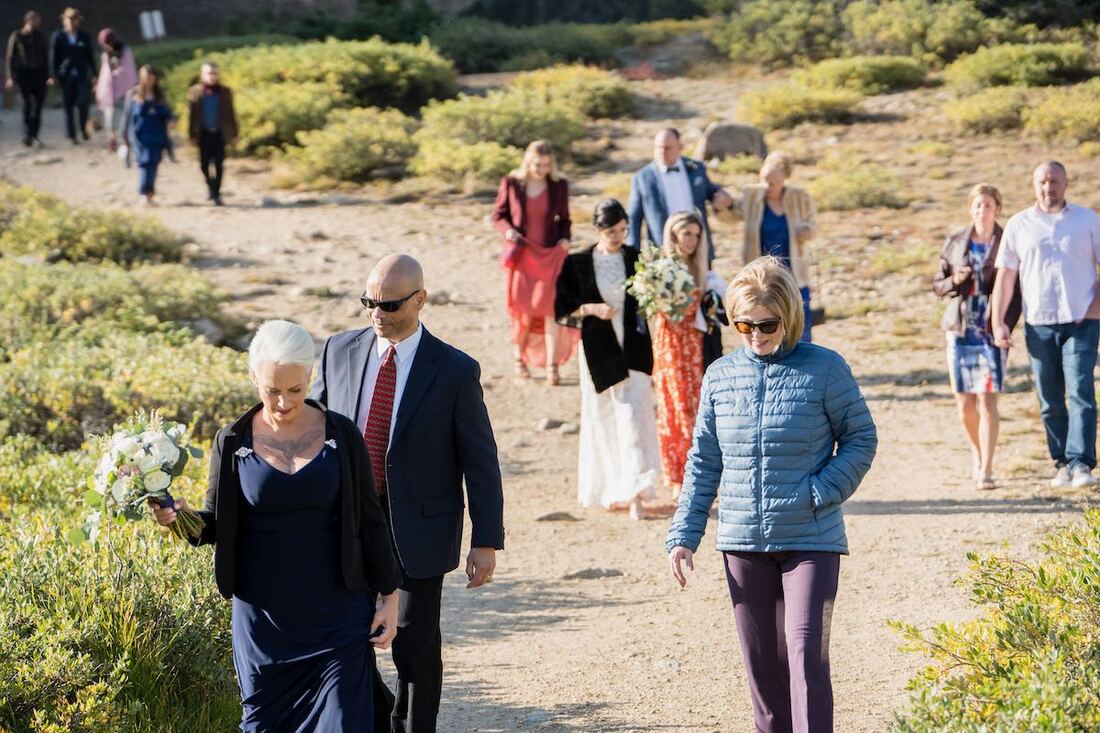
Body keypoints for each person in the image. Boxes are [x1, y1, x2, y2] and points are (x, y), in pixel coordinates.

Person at [152, 319, 402, 732]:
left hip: (337, 615)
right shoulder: (231, 441)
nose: (283, 402)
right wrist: (179, 520)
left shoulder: (343, 435)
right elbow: (214, 524)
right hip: (264, 624)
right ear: (253, 377)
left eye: (295, 390)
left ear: (310, 377)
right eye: (271, 390)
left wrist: (389, 596)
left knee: (344, 722)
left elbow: (370, 520)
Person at [666, 256, 877, 733]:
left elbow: (862, 438)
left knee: (805, 655)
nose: (755, 335)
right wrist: (684, 533)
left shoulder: (826, 368)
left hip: (811, 540)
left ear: (788, 317)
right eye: (743, 325)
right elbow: (703, 461)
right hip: (742, 543)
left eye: (766, 324)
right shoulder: (719, 375)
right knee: (763, 675)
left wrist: (818, 493)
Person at [310, 254, 505, 733]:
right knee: (344, 638)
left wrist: (486, 539)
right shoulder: (339, 350)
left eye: (390, 303)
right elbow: (309, 429)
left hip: (419, 529)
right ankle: (379, 720)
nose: (377, 312)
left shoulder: (455, 370)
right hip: (347, 522)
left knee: (415, 649)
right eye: (369, 301)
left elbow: (480, 460)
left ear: (421, 299)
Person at [992, 161, 1100, 489]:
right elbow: (1006, 277)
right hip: (1038, 323)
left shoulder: (1088, 220)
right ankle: (1062, 462)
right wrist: (999, 322)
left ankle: (1082, 463)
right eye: (1042, 181)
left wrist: (1096, 307)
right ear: (1033, 184)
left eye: (1054, 181)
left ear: (1066, 183)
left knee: (1081, 389)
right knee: (1049, 397)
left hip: (1081, 320)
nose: (1048, 187)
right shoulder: (1019, 224)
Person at [555, 199, 662, 520]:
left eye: (623, 230)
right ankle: (611, 487)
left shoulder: (637, 258)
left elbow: (651, 299)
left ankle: (637, 494)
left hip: (635, 346)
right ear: (598, 229)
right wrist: (592, 308)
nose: (619, 236)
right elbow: (562, 310)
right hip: (598, 349)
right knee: (603, 417)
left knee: (635, 415)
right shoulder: (577, 263)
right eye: (612, 230)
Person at [933, 184, 1020, 491]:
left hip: (991, 330)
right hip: (960, 329)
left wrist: (1006, 325)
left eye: (988, 205)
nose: (983, 211)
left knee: (987, 400)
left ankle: (987, 467)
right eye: (978, 205)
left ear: (998, 208)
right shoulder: (957, 240)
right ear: (970, 208)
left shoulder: (1008, 240)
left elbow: (1016, 290)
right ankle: (975, 451)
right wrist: (953, 280)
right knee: (964, 404)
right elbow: (938, 284)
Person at [651, 210, 728, 498]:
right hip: (670, 343)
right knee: (675, 405)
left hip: (695, 345)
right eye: (687, 234)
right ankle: (678, 479)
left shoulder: (702, 271)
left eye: (697, 235)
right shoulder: (661, 269)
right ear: (673, 235)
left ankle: (701, 477)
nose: (692, 241)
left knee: (698, 408)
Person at [491, 140, 578, 385]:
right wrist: (507, 231)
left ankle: (552, 366)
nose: (541, 169)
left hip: (549, 255)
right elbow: (498, 214)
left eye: (546, 165)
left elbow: (565, 219)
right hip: (522, 256)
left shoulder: (559, 186)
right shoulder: (511, 183)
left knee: (551, 310)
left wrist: (564, 239)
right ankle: (519, 358)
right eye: (537, 164)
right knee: (523, 313)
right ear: (528, 161)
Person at [728, 151, 818, 342]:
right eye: (763, 180)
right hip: (763, 274)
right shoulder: (752, 196)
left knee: (800, 323)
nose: (766, 187)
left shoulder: (798, 197)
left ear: (783, 180)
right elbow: (730, 216)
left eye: (772, 183)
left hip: (794, 269)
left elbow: (813, 225)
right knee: (767, 322)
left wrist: (806, 231)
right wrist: (723, 205)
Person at [626, 128, 734, 260]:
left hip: (697, 245)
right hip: (663, 250)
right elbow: (634, 217)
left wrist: (721, 196)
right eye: (658, 148)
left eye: (667, 148)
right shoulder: (642, 177)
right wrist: (632, 254)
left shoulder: (696, 168)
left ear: (680, 147)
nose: (662, 152)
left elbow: (711, 191)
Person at [187, 61, 239, 206]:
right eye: (209, 73)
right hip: (203, 134)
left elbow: (231, 114)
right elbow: (191, 117)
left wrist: (234, 134)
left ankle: (216, 193)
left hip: (219, 133)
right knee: (203, 164)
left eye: (214, 73)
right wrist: (191, 135)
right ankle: (210, 186)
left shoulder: (225, 92)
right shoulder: (194, 92)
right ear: (202, 75)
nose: (212, 76)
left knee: (219, 163)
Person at [121, 65, 174, 205]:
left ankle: (150, 192)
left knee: (154, 163)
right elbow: (126, 116)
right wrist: (123, 135)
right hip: (139, 136)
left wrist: (171, 120)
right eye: (146, 77)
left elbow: (167, 113)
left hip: (157, 135)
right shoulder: (133, 93)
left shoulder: (159, 95)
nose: (149, 80)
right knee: (144, 163)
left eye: (152, 77)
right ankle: (144, 192)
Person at [49, 7, 96, 144]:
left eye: (73, 19)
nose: (71, 22)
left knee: (83, 103)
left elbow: (90, 56)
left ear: (77, 21)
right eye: (68, 19)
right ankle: (71, 135)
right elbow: (53, 56)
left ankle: (83, 129)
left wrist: (95, 74)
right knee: (68, 106)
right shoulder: (58, 36)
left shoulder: (84, 36)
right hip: (65, 75)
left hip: (81, 74)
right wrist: (53, 74)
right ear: (64, 20)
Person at [5, 11, 51, 147]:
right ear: (28, 21)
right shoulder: (17, 35)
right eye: (36, 21)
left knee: (38, 107)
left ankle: (34, 136)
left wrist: (49, 76)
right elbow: (10, 58)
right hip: (24, 75)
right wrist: (9, 77)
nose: (38, 24)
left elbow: (46, 57)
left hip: (40, 75)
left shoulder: (41, 36)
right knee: (27, 105)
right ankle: (27, 135)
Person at [93, 28, 136, 153]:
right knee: (109, 115)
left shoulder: (125, 51)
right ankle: (112, 139)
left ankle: (125, 138)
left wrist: (116, 76)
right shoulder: (106, 54)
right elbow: (105, 72)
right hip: (109, 90)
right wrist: (100, 85)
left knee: (125, 115)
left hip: (124, 89)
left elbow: (128, 70)